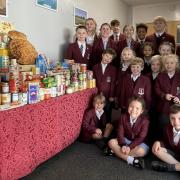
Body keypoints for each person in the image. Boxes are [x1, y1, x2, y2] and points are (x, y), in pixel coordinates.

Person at [106, 96, 149, 169]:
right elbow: (120, 133)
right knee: (111, 142)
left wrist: (129, 147)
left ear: (141, 111)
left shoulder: (145, 121)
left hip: (139, 143)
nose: (133, 110)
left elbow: (141, 138)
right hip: (126, 140)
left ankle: (115, 152)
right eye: (131, 107)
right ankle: (132, 160)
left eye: (137, 108)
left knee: (141, 152)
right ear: (128, 107)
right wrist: (122, 144)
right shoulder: (123, 117)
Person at [155, 54, 180, 136]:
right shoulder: (160, 76)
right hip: (164, 108)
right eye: (167, 63)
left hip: (177, 108)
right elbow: (157, 89)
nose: (169, 65)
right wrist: (164, 95)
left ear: (176, 64)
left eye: (171, 63)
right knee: (164, 126)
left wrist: (179, 98)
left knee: (176, 127)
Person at [151, 104, 180, 172]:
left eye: (179, 118)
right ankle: (177, 167)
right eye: (172, 118)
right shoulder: (167, 128)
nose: (176, 122)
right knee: (156, 150)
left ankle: (169, 167)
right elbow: (165, 143)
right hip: (174, 155)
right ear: (169, 118)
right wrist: (158, 142)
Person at [93, 48, 117, 121]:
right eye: (106, 56)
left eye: (110, 58)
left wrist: (112, 96)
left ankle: (107, 127)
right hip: (97, 95)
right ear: (102, 55)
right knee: (96, 112)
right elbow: (93, 81)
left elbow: (113, 84)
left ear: (111, 60)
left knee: (107, 112)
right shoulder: (95, 67)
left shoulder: (113, 69)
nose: (108, 59)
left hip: (107, 96)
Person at [146, 55, 163, 144]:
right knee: (148, 122)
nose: (155, 66)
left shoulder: (163, 76)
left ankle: (156, 142)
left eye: (157, 64)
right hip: (148, 103)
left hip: (158, 103)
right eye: (153, 64)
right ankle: (148, 141)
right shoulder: (147, 75)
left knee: (157, 123)